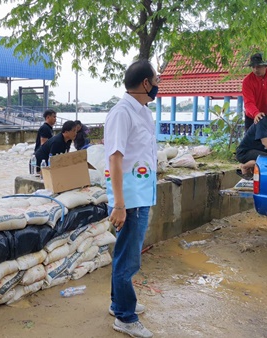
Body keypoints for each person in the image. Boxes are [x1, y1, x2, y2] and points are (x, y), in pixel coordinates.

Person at [104, 59, 158, 338]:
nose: (158, 84)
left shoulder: (142, 112)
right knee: (129, 259)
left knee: (125, 253)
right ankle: (126, 317)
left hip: (141, 193)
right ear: (146, 83)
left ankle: (118, 304)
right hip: (130, 199)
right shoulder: (122, 113)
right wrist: (119, 203)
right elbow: (115, 158)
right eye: (156, 79)